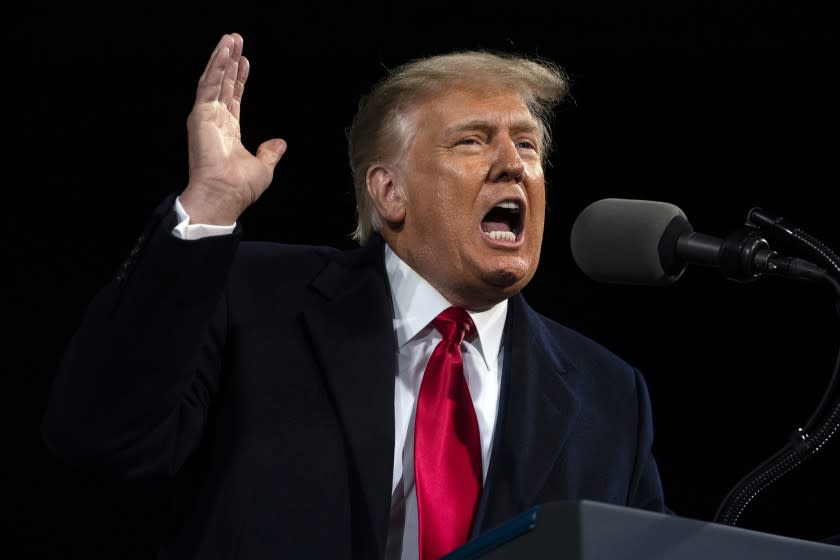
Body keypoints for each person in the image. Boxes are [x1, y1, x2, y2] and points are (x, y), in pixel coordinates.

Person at [42, 32, 667, 559]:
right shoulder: (253, 300)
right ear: (388, 193)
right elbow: (100, 437)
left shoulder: (608, 394)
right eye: (473, 141)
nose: (513, 166)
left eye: (527, 145)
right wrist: (207, 205)